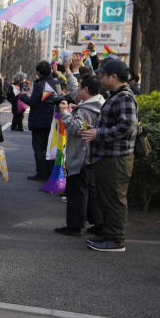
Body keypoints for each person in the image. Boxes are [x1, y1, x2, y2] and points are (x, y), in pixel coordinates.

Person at [80, 60, 138, 253]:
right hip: (110, 156)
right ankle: (109, 234)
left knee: (114, 199)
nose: (100, 78)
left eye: (103, 75)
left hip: (117, 158)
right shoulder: (118, 95)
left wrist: (99, 133)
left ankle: (115, 239)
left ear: (113, 77)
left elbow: (127, 127)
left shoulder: (124, 97)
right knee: (107, 197)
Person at [55, 75, 104, 236]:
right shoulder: (97, 103)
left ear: (87, 90)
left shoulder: (87, 109)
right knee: (91, 192)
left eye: (80, 88)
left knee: (77, 192)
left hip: (81, 156)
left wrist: (65, 112)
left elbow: (75, 129)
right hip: (91, 156)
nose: (77, 91)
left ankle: (74, 226)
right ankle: (98, 223)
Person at [27, 61, 60, 181]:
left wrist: (23, 96)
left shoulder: (40, 85)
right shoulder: (56, 82)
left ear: (39, 72)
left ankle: (41, 173)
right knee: (49, 148)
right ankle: (49, 172)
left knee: (39, 148)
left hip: (39, 120)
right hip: (53, 119)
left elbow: (33, 102)